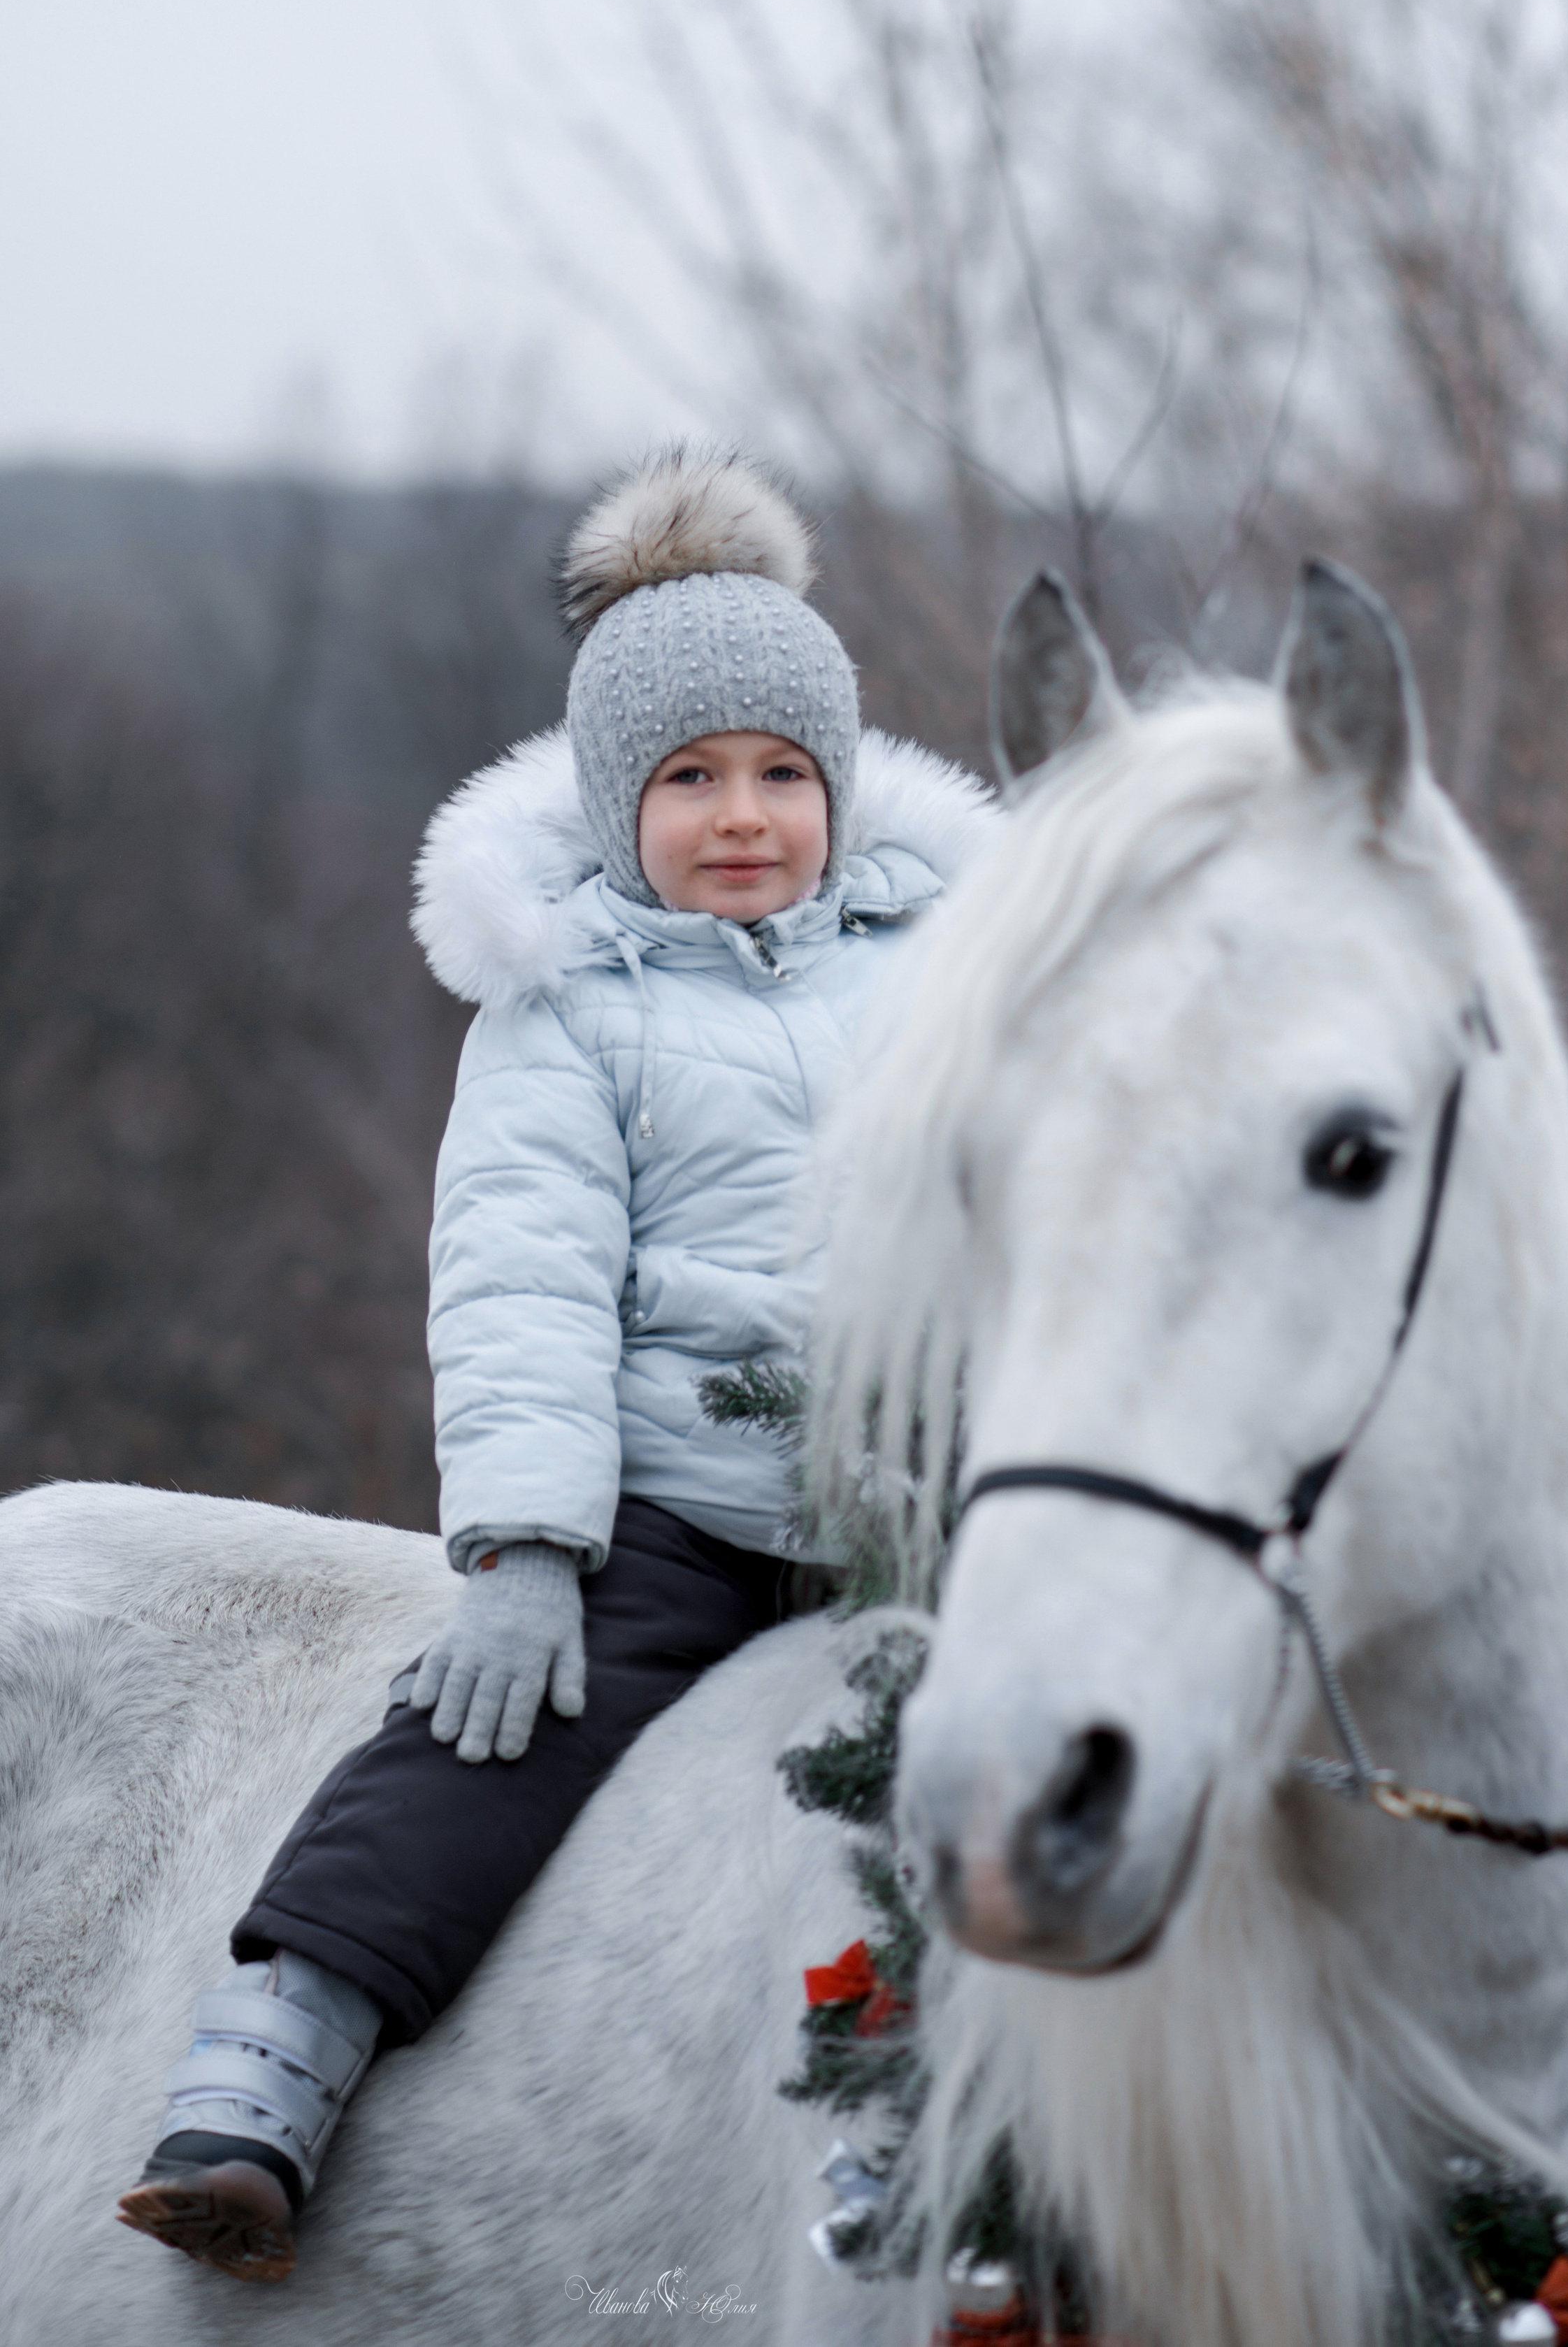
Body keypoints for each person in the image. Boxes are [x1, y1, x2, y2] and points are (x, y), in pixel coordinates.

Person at [115, 446, 993, 2281]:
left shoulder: (942, 973)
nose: (741, 816)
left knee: (1061, 1753)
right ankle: (271, 2068)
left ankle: (977, 2141)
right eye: (688, 779)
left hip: (918, 1502)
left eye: (781, 773)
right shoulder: (573, 1002)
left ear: (839, 786)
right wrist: (524, 1547)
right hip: (670, 1505)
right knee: (484, 1739)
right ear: (614, 800)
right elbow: (522, 1277)